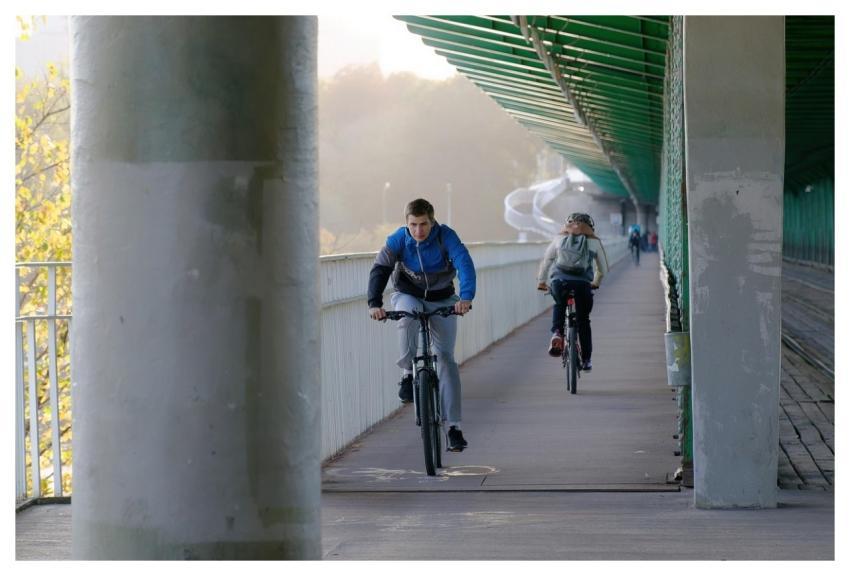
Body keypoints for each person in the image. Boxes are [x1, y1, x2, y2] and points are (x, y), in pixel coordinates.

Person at [367, 198, 476, 452]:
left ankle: (454, 428)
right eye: (413, 225)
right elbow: (380, 269)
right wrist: (374, 303)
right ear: (406, 223)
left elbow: (464, 264)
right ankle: (407, 374)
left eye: (424, 224)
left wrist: (466, 297)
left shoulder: (446, 237)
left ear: (432, 220)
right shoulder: (397, 239)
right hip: (409, 295)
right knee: (406, 315)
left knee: (446, 358)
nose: (418, 231)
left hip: (443, 299)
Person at [536, 212, 608, 371]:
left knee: (559, 303)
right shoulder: (594, 242)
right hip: (582, 286)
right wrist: (595, 282)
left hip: (559, 282)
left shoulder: (559, 238)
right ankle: (587, 360)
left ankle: (557, 332)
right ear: (590, 226)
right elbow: (602, 268)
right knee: (583, 321)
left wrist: (541, 281)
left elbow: (547, 261)